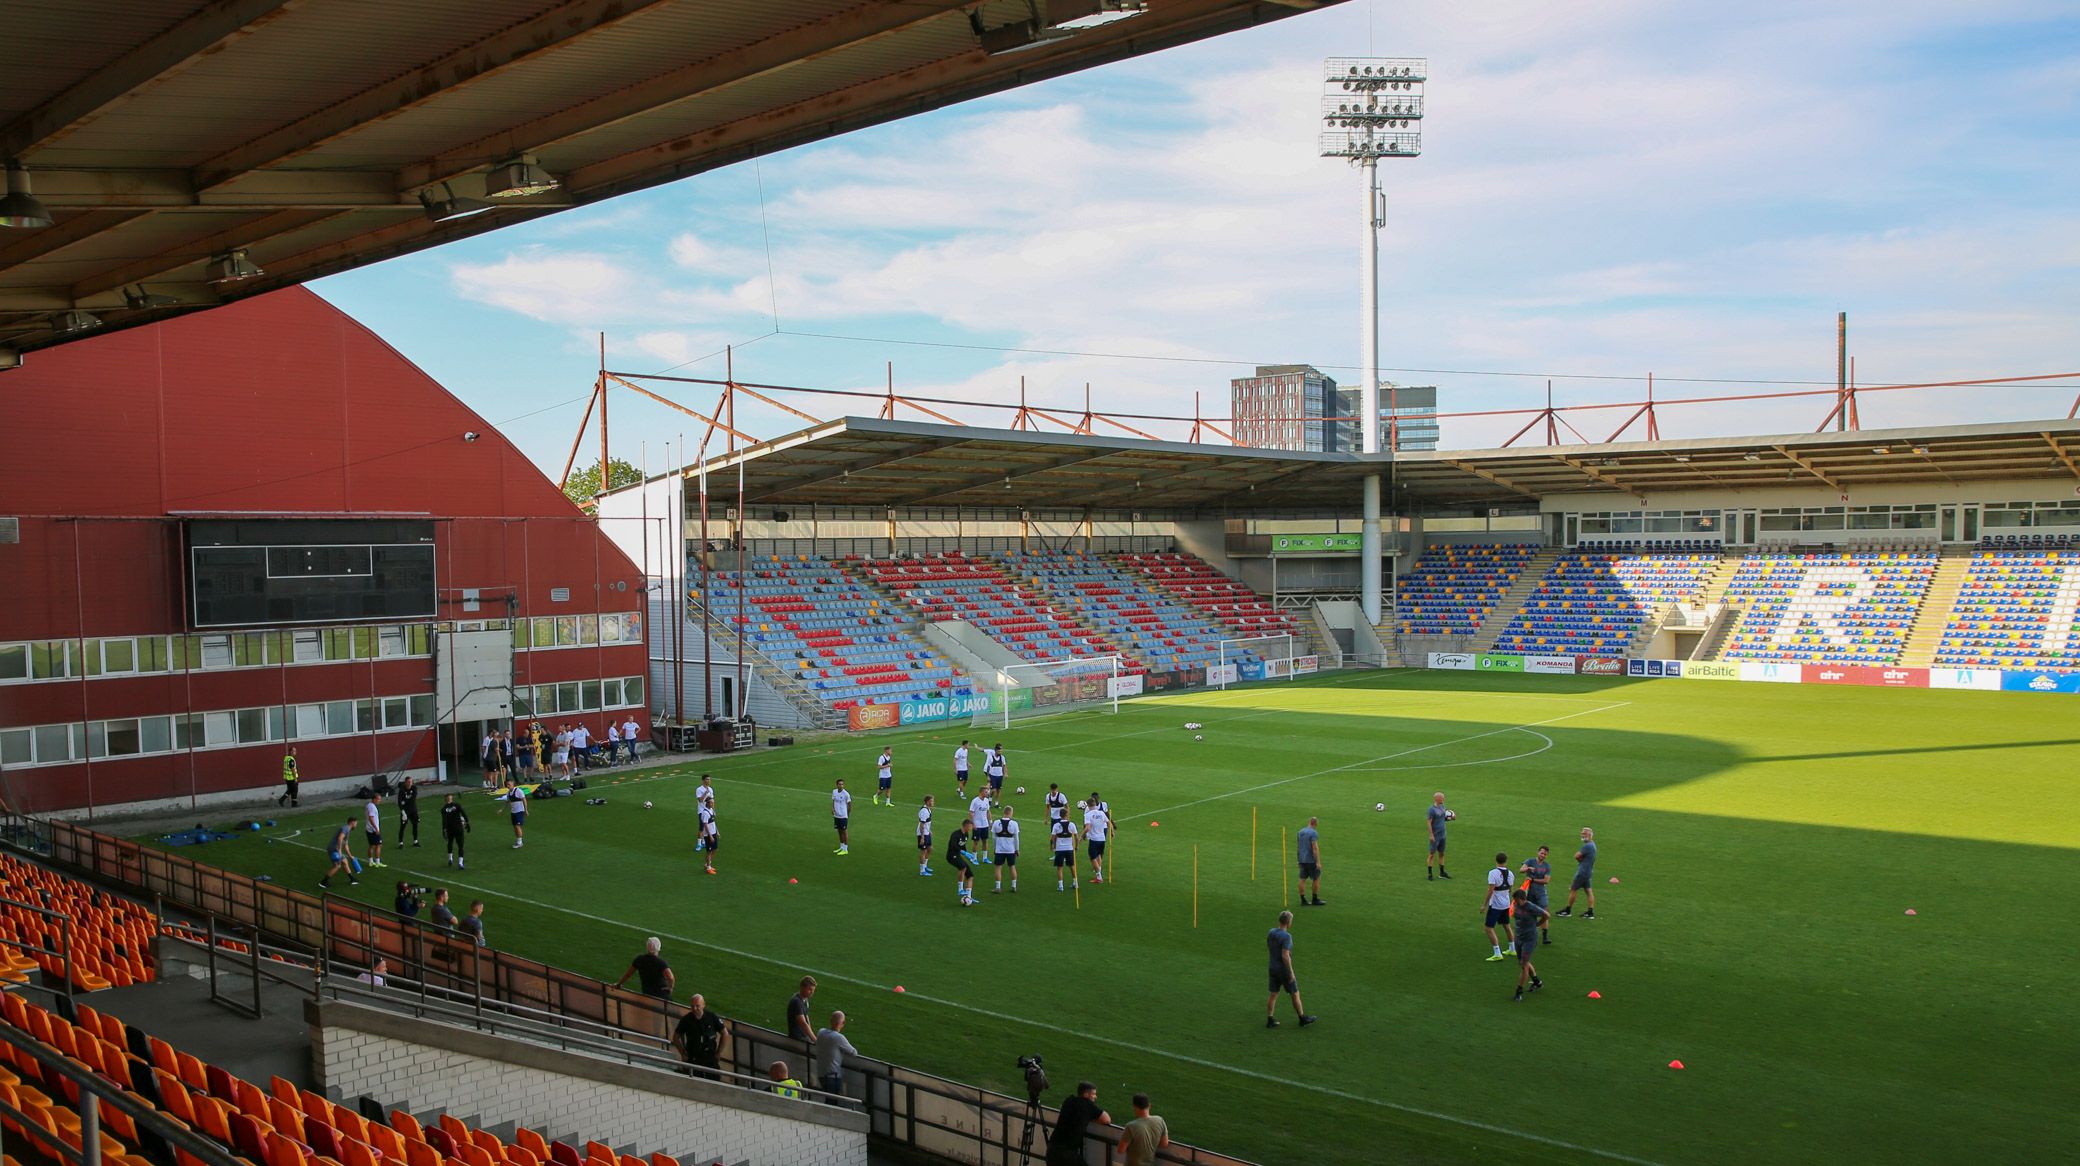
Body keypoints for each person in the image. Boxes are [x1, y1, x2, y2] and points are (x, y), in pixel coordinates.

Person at [1265, 909, 1317, 1028]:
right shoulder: (1287, 936)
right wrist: (1290, 972)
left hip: (1272, 967)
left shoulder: (1271, 932)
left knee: (1273, 993)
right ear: (1289, 923)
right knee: (1295, 993)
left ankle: (1270, 1019)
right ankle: (1302, 1018)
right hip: (1283, 970)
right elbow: (1285, 955)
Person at [1044, 1082, 1111, 1166]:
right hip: (1067, 1154)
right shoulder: (1087, 1104)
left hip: (1052, 1150)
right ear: (1086, 1094)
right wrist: (1090, 1118)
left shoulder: (1069, 1100)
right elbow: (1107, 1119)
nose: (1095, 1097)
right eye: (1093, 1094)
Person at [672, 993, 729, 1079]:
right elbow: (675, 1037)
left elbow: (725, 1033)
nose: (695, 1009)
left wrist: (718, 1053)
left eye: (697, 1006)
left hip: (710, 1058)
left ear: (703, 1005)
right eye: (692, 1006)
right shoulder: (686, 1019)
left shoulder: (712, 1017)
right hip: (693, 1058)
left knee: (714, 1081)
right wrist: (683, 1053)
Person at [1510, 888, 1549, 1002]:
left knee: (1524, 964)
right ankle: (1536, 982)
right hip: (1519, 937)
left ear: (1523, 899)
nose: (1515, 903)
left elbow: (1546, 915)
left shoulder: (1531, 907)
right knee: (1523, 963)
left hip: (1529, 939)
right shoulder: (1516, 905)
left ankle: (1519, 991)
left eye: (1517, 901)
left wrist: (1537, 924)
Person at [812, 1011, 859, 1098]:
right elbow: (854, 1052)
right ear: (843, 1023)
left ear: (830, 1021)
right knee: (832, 1103)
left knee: (829, 1101)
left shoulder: (821, 1032)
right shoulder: (839, 1038)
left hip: (821, 1075)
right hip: (832, 1077)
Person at [615, 937, 676, 1002]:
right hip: (662, 997)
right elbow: (671, 978)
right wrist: (670, 988)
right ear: (658, 948)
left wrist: (618, 984)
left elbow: (628, 974)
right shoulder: (661, 962)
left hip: (647, 995)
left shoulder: (639, 959)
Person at [1120, 1093, 1170, 1166]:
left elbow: (1121, 1150)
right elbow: (1164, 1144)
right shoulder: (1160, 1120)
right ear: (1149, 1105)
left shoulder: (1131, 1126)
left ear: (1135, 1107)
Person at [1558, 827, 1598, 919]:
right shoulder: (1593, 845)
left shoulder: (1587, 846)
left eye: (1584, 834)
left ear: (1589, 835)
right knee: (1588, 891)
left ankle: (1567, 910)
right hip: (1588, 872)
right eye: (1582, 834)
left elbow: (1576, 856)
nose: (1582, 835)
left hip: (1582, 872)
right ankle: (1590, 912)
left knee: (1573, 889)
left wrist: (1581, 861)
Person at [1483, 851, 1515, 961]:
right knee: (1506, 925)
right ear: (1506, 861)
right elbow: (1510, 889)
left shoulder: (1493, 873)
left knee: (1488, 928)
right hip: (1506, 904)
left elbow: (1490, 890)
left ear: (1496, 860)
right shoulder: (1510, 874)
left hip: (1496, 904)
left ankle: (1497, 953)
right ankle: (1512, 949)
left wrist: (1484, 905)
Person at [1521, 845, 1554, 946]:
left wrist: (1533, 880)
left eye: (1545, 854)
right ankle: (1528, 933)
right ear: (1538, 852)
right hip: (1529, 892)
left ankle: (1544, 936)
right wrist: (1527, 868)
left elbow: (1546, 880)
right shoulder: (1530, 861)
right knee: (1529, 913)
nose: (1543, 855)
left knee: (1545, 912)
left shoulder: (1547, 866)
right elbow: (1521, 870)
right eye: (1542, 853)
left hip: (1541, 893)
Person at [319, 817, 359, 888]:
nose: (356, 825)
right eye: (356, 823)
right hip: (334, 849)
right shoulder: (346, 828)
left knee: (345, 862)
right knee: (337, 866)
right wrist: (339, 850)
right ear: (352, 822)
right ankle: (323, 882)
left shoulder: (348, 830)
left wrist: (350, 856)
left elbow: (346, 845)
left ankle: (352, 879)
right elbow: (340, 838)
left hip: (334, 849)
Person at [947, 820, 978, 907]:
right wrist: (963, 853)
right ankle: (960, 889)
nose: (972, 828)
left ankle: (969, 896)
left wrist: (967, 854)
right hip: (951, 855)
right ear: (966, 826)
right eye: (971, 826)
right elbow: (953, 845)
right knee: (963, 867)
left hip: (958, 855)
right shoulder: (955, 834)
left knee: (970, 876)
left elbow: (963, 846)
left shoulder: (966, 835)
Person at [991, 803, 1020, 894]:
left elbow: (993, 837)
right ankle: (1014, 886)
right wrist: (1017, 849)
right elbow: (1016, 838)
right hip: (1010, 850)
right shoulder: (1014, 824)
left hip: (999, 849)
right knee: (1012, 867)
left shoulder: (996, 823)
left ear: (1004, 812)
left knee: (998, 867)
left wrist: (995, 847)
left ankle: (998, 887)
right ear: (1010, 813)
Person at [1296, 816, 1325, 906]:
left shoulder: (1300, 832)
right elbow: (1315, 848)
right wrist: (1318, 862)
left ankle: (1303, 900)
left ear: (1309, 822)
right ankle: (1314, 899)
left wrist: (1298, 859)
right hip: (1311, 860)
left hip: (1302, 859)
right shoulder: (1313, 833)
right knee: (1316, 878)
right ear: (1315, 824)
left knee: (1302, 879)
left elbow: (1298, 847)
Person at [1084, 798, 1113, 884]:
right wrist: (1112, 832)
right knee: (1099, 855)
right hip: (1102, 838)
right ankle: (1099, 873)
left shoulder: (1088, 815)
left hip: (1094, 839)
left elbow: (1088, 827)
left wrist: (1081, 836)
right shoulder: (1101, 813)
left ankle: (1099, 876)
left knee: (1092, 857)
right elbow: (1108, 823)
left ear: (1088, 806)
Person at [785, 976, 818, 1050]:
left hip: (803, 1036)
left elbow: (806, 1018)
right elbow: (802, 1022)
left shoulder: (805, 1000)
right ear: (802, 987)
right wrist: (814, 1039)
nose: (812, 992)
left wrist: (811, 1036)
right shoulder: (797, 1002)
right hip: (797, 1038)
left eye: (813, 990)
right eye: (810, 989)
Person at [439, 793, 470, 869]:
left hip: (450, 829)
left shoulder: (444, 809)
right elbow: (464, 814)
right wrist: (467, 823)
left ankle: (450, 858)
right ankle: (460, 863)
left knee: (450, 843)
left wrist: (444, 829)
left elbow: (444, 820)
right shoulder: (457, 805)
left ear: (445, 799)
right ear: (452, 798)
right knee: (461, 845)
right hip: (458, 828)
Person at [1051, 808, 1078, 892]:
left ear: (1060, 815)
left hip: (1059, 849)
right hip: (1069, 849)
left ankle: (1060, 886)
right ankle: (1075, 883)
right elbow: (1076, 837)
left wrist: (1054, 846)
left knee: (1059, 868)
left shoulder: (1056, 825)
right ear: (1067, 815)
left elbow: (1053, 838)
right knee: (1072, 866)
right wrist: (1076, 846)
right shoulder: (1072, 825)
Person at [1427, 792, 1452, 880]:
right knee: (1432, 854)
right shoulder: (1431, 810)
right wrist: (1431, 835)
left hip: (1443, 834)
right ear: (1437, 799)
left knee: (1442, 853)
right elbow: (1429, 822)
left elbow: (1442, 819)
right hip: (1435, 835)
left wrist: (1450, 818)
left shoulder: (1442, 806)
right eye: (1442, 798)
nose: (1443, 799)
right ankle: (1430, 874)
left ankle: (1442, 872)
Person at [967, 790, 994, 865]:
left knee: (985, 841)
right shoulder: (975, 801)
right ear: (981, 792)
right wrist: (973, 824)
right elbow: (971, 812)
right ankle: (974, 858)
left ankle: (985, 858)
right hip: (977, 825)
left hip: (985, 824)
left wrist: (990, 822)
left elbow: (988, 811)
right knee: (976, 842)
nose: (987, 793)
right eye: (986, 792)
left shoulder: (986, 800)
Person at [397, 775, 421, 848]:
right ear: (405, 782)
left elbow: (412, 799)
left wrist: (405, 801)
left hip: (413, 810)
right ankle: (400, 843)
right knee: (403, 826)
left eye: (411, 781)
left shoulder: (414, 788)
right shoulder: (402, 790)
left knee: (415, 825)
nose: (410, 783)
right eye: (408, 782)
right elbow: (399, 802)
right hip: (405, 811)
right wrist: (403, 812)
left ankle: (415, 841)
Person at [363, 791, 386, 869]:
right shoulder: (372, 807)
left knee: (371, 845)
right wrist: (376, 828)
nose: (379, 801)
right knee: (378, 845)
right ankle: (377, 862)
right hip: (373, 829)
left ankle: (370, 861)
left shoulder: (369, 806)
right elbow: (371, 818)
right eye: (378, 799)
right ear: (374, 799)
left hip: (368, 829)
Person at [697, 795, 718, 875]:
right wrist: (710, 835)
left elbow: (713, 822)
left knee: (715, 849)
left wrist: (717, 831)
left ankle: (707, 864)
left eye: (713, 802)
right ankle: (708, 867)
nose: (713, 804)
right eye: (712, 803)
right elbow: (705, 825)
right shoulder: (705, 813)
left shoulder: (711, 810)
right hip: (709, 835)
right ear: (707, 803)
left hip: (713, 833)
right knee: (709, 851)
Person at [916, 795, 935, 877]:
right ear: (927, 802)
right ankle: (922, 870)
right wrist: (922, 837)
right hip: (922, 834)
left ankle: (925, 866)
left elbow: (926, 823)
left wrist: (929, 830)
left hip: (926, 832)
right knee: (923, 851)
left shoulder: (928, 809)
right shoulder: (924, 811)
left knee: (929, 849)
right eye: (932, 801)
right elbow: (922, 825)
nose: (933, 802)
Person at [831, 779, 851, 856]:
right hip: (836, 815)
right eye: (840, 784)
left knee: (844, 831)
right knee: (839, 831)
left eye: (842, 784)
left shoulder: (846, 794)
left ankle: (845, 849)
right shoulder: (834, 792)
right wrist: (832, 808)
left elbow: (849, 805)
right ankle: (841, 847)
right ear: (837, 785)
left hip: (843, 816)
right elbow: (833, 801)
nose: (841, 785)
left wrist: (847, 815)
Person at [506, 778, 528, 849]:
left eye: (509, 784)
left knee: (517, 826)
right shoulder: (509, 793)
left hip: (519, 811)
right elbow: (508, 801)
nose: (508, 786)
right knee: (515, 827)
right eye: (507, 785)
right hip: (513, 812)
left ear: (513, 784)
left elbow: (524, 800)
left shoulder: (518, 791)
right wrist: (501, 809)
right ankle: (518, 840)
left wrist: (525, 810)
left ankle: (520, 842)